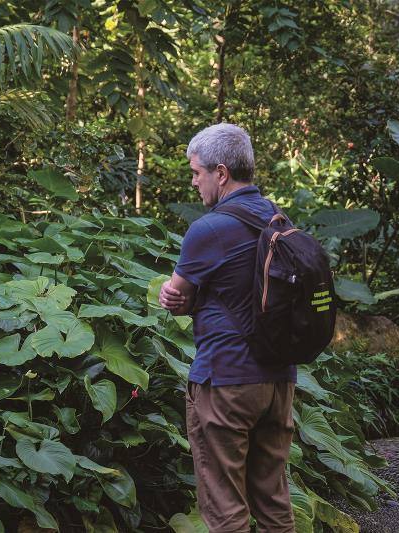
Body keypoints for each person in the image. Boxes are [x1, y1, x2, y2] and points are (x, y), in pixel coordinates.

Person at [158, 123, 296, 533]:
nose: (194, 182)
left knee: (224, 508)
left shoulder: (209, 229)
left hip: (226, 382)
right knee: (273, 502)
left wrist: (174, 294)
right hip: (279, 382)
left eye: (196, 172)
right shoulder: (278, 220)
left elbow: (175, 294)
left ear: (220, 173)